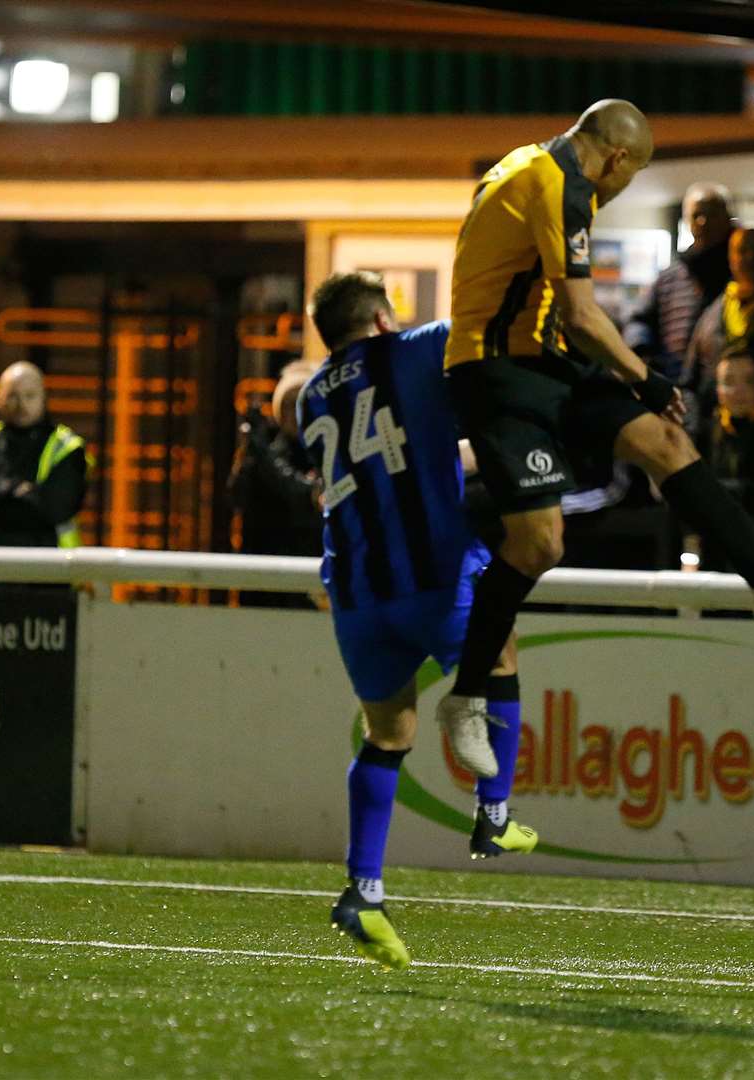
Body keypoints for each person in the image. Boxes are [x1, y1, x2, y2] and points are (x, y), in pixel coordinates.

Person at [440, 99, 754, 768]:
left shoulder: (532, 164)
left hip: (545, 358)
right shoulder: (557, 187)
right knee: (539, 542)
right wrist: (647, 377)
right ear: (618, 159)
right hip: (496, 371)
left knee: (666, 443)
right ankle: (465, 698)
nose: (622, 188)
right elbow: (583, 315)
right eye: (630, 177)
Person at [301, 272, 538, 972]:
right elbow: (484, 323)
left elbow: (386, 450)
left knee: (388, 732)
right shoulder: (412, 349)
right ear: (379, 319)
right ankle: (494, 815)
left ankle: (363, 891)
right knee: (501, 656)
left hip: (355, 590)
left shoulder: (312, 393)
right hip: (430, 571)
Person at [228, 361, 322, 608]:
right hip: (260, 584)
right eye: (289, 404)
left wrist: (261, 452)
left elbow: (304, 496)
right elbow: (237, 497)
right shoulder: (268, 450)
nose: (295, 413)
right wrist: (248, 453)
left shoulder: (326, 452)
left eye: (303, 403)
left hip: (304, 584)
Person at [623, 182, 733, 381]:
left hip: (721, 380)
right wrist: (642, 350)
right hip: (674, 377)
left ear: (726, 218)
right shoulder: (671, 276)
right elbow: (640, 319)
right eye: (696, 216)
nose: (703, 222)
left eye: (711, 214)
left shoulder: (737, 272)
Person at [0, 361, 89, 548]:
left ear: (43, 398)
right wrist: (15, 488)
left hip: (47, 567)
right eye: (12, 396)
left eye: (30, 396)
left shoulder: (67, 447)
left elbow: (55, 507)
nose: (21, 405)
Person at [685, 227, 754, 401]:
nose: (750, 258)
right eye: (742, 251)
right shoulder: (716, 307)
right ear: (730, 259)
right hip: (716, 414)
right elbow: (692, 374)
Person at [705, 350, 754, 516]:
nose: (739, 390)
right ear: (717, 390)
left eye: (750, 381)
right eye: (728, 382)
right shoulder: (708, 430)